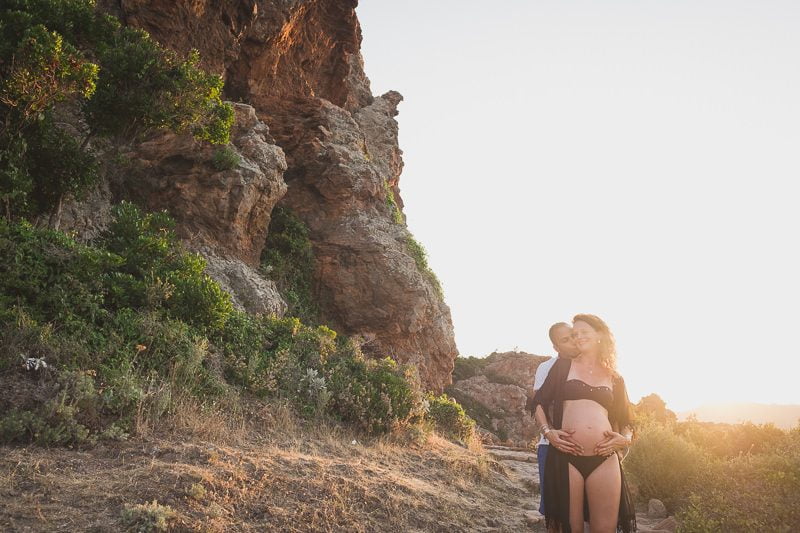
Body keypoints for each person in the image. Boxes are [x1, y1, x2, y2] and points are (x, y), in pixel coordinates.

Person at [531, 314, 636, 533]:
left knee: (605, 529)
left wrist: (623, 440)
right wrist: (548, 432)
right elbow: (538, 402)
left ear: (599, 335)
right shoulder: (562, 367)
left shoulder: (615, 377)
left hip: (605, 457)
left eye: (583, 332)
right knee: (572, 528)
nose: (578, 337)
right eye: (574, 334)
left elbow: (628, 421)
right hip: (567, 455)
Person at [530, 322, 581, 516]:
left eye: (573, 335)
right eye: (565, 340)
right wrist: (549, 433)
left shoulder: (592, 364)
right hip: (551, 446)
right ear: (556, 347)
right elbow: (538, 403)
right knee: (555, 513)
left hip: (586, 451)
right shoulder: (547, 367)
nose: (573, 342)